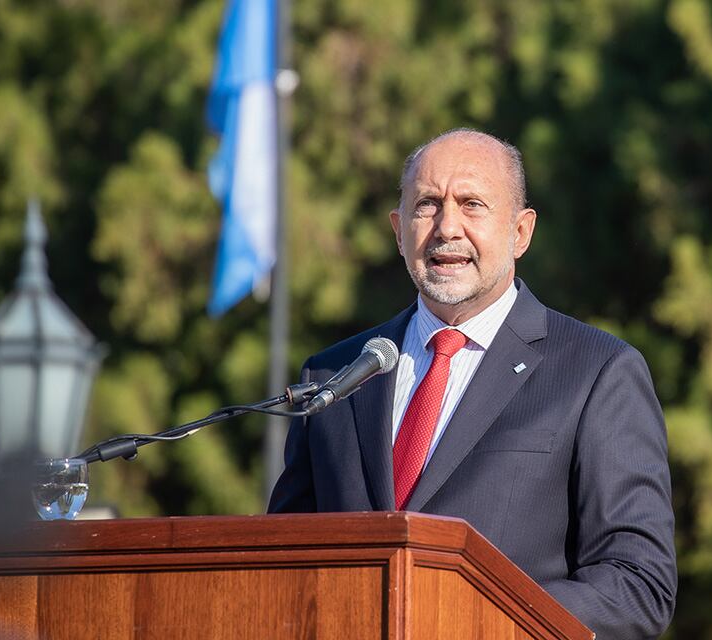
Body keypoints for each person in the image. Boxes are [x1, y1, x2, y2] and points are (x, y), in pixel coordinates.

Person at [268, 129, 677, 639]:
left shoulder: (597, 372)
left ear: (521, 233)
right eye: (427, 205)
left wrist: (472, 617)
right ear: (399, 231)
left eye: (472, 204)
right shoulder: (334, 376)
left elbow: (638, 585)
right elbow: (283, 569)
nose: (447, 228)